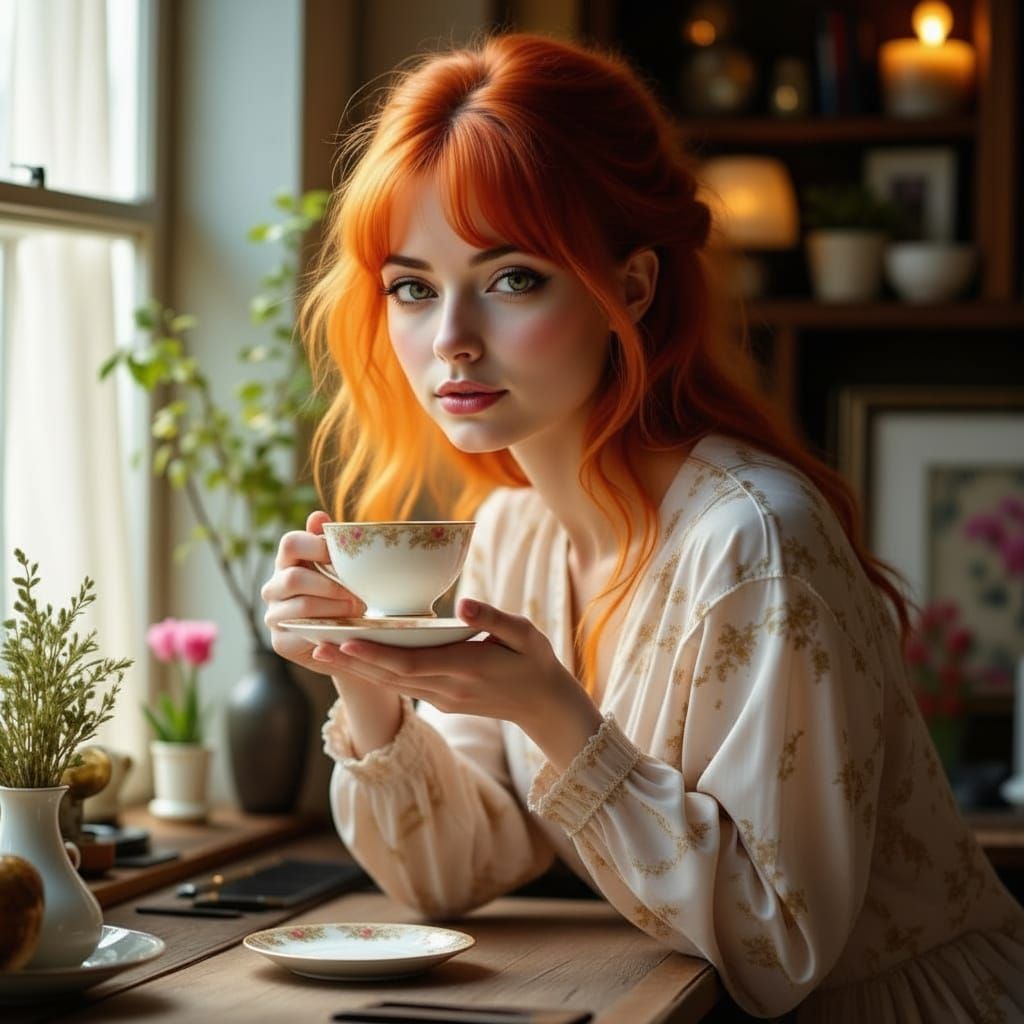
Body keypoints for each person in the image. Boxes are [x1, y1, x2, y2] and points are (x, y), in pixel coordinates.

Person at [261, 32, 1024, 1022]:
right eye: (412, 286)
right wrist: (362, 668)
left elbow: (781, 945)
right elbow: (449, 872)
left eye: (511, 278)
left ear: (629, 284)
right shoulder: (514, 532)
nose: (449, 336)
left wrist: (552, 711)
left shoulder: (752, 540)